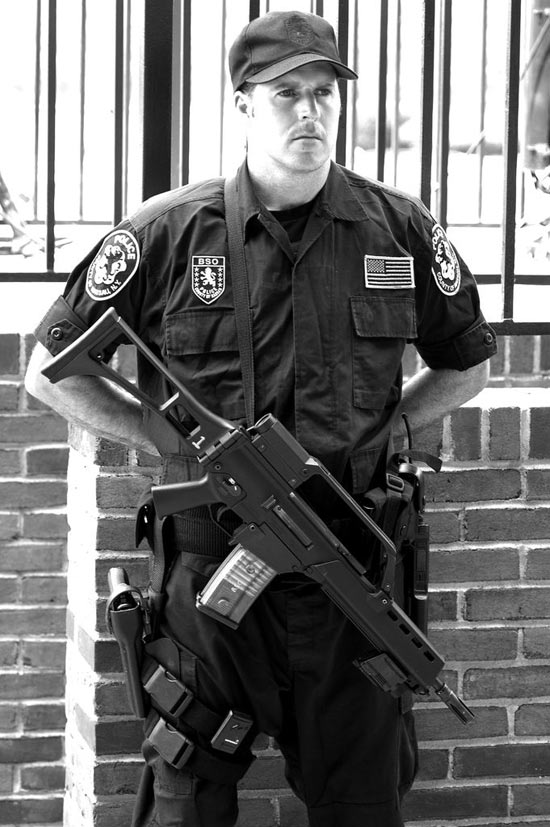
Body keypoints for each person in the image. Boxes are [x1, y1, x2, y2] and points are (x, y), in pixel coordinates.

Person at [25, 10, 497, 827]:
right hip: (210, 581)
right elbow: (48, 369)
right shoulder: (169, 232)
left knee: (360, 807)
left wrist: (384, 431)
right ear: (244, 104)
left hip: (348, 570)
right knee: (183, 805)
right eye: (287, 94)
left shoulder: (401, 229)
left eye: (324, 93)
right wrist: (162, 437)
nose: (309, 112)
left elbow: (468, 362)